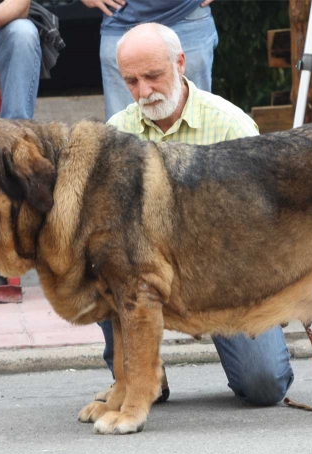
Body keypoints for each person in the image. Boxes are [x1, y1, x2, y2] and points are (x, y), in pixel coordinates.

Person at [94, 22, 294, 407]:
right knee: (102, 267)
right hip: (147, 278)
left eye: (153, 76)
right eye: (132, 81)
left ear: (181, 63)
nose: (144, 92)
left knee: (265, 386)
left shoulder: (231, 124)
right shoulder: (116, 133)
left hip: (224, 278)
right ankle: (139, 377)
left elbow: (266, 222)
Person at [81, 0, 218, 120]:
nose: (145, 92)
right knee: (122, 138)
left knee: (197, 123)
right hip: (121, 19)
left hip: (187, 15)